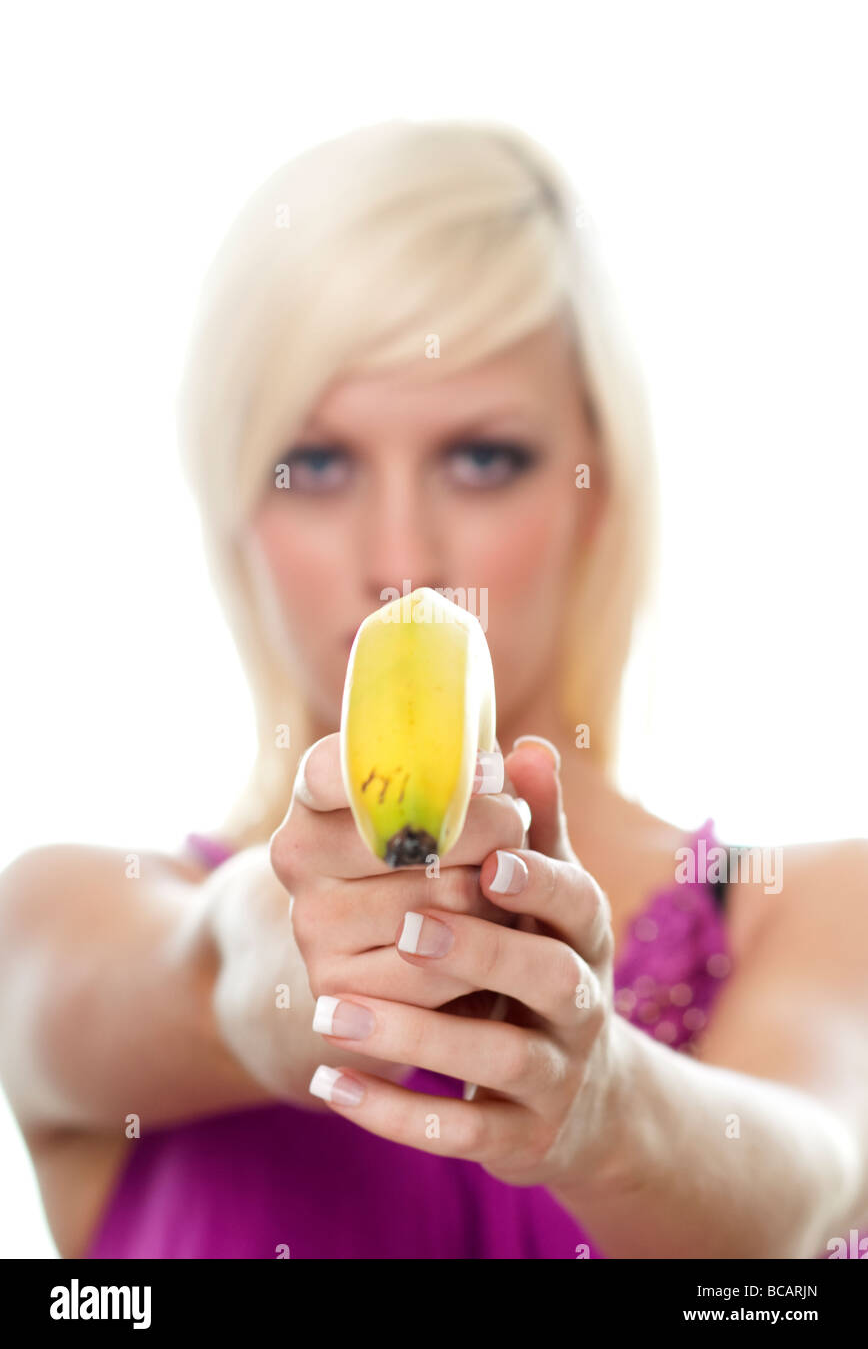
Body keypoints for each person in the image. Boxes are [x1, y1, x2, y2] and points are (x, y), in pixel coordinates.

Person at [1, 118, 866, 1260]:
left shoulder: (807, 909)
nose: (400, 558)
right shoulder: (66, 915)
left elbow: (807, 1184)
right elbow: (199, 972)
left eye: (482, 458)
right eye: (314, 466)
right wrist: (292, 944)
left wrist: (604, 1104)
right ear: (234, 516)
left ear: (595, 490)